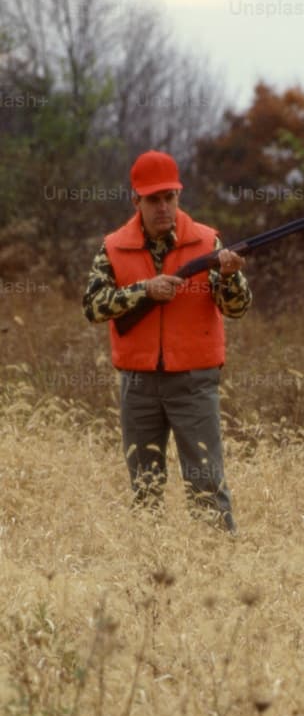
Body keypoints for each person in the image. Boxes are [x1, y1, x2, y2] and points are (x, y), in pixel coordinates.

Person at [83, 149, 252, 534]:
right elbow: (92, 306)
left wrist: (228, 277)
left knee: (207, 482)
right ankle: (150, 571)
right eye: (153, 199)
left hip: (193, 381)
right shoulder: (112, 247)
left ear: (179, 196)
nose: (163, 207)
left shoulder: (208, 242)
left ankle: (217, 571)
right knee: (145, 487)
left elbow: (238, 308)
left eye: (169, 198)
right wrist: (143, 291)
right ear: (136, 200)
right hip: (138, 384)